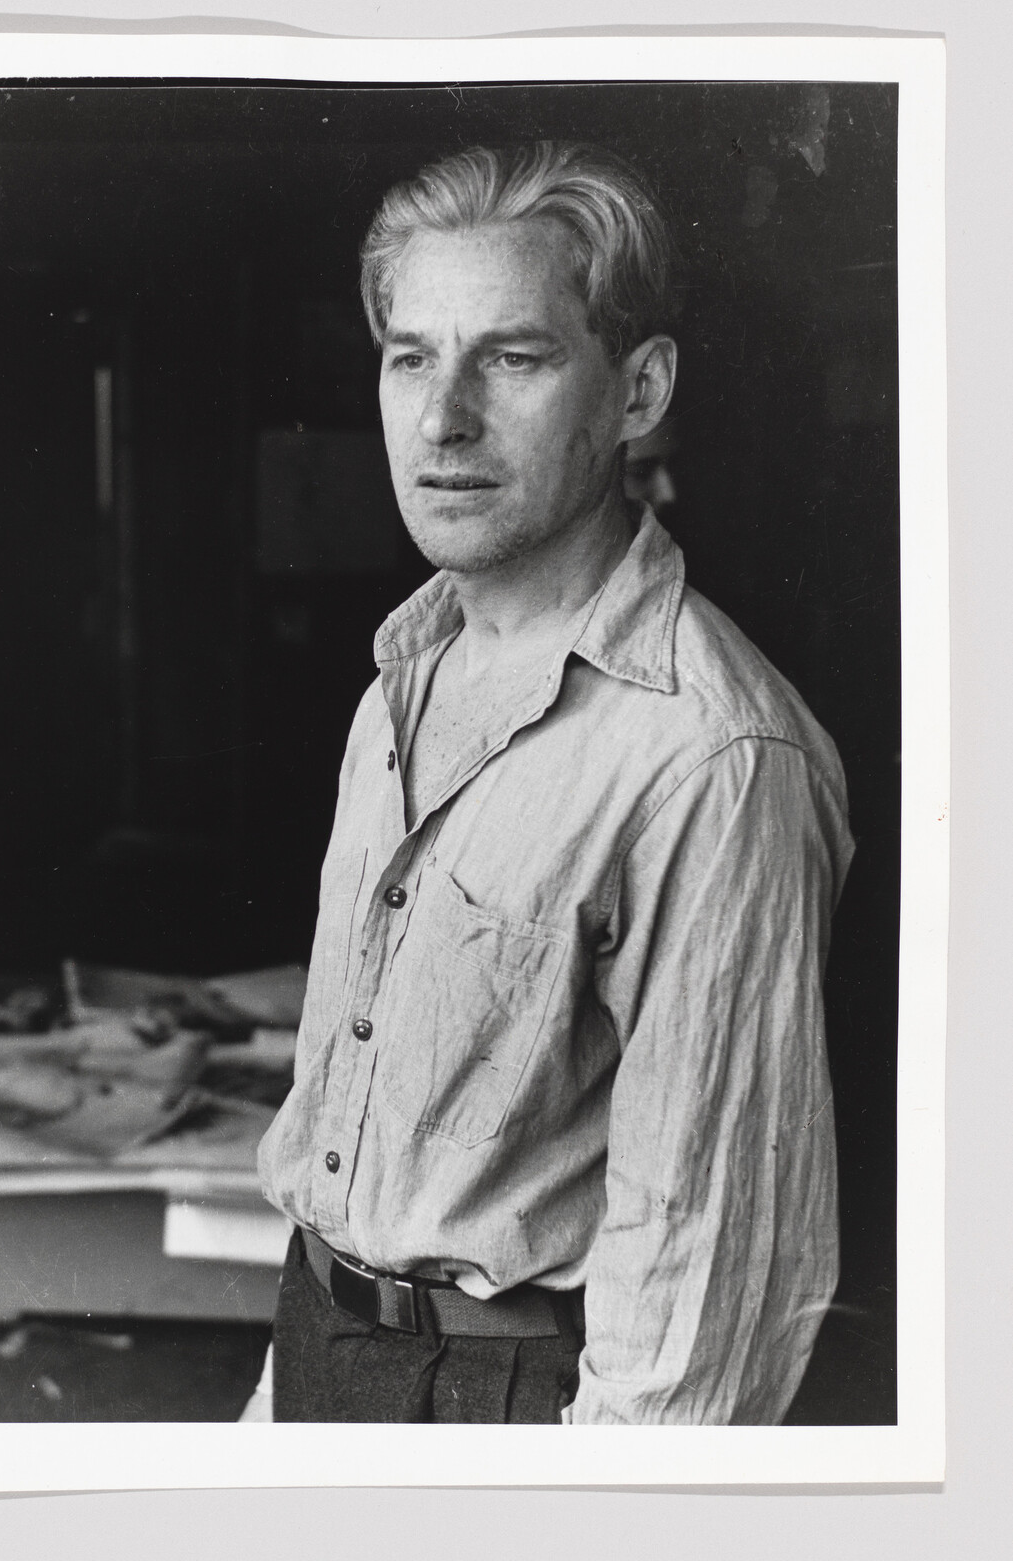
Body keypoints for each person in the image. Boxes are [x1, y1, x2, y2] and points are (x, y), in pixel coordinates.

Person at [244, 140, 853, 1425]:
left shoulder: (711, 756)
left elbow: (698, 1303)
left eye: (512, 358)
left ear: (640, 390)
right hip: (321, 1350)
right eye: (411, 357)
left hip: (516, 1406)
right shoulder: (399, 683)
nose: (443, 418)